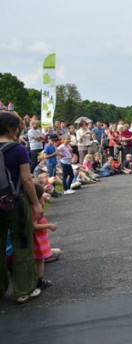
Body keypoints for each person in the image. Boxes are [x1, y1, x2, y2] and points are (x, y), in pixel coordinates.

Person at [0, 112, 43, 303]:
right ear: (10, 128)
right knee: (22, 244)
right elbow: (26, 179)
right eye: (17, 126)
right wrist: (35, 203)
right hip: (16, 201)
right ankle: (24, 289)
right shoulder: (18, 149)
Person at [32, 183, 56, 289]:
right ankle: (39, 280)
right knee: (40, 260)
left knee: (38, 260)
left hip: (40, 238)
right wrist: (49, 225)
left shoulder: (33, 206)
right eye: (41, 195)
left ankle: (37, 279)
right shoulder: (34, 210)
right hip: (37, 239)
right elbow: (34, 226)